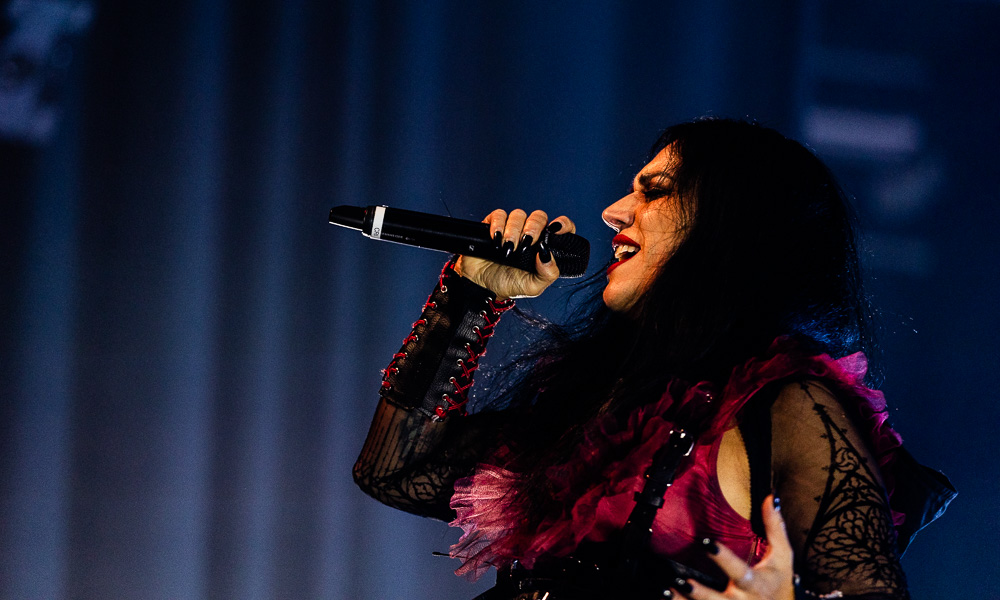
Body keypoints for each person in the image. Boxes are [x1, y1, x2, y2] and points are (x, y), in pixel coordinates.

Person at [353, 118, 954, 600]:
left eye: (656, 190)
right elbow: (396, 472)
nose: (614, 211)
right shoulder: (608, 412)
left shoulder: (791, 407)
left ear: (729, 224)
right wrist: (471, 294)